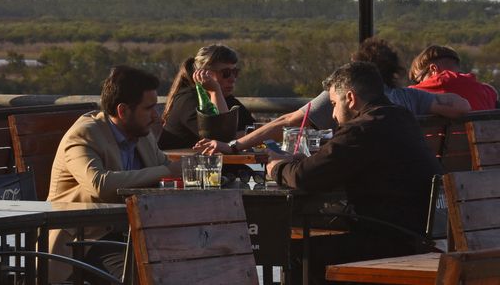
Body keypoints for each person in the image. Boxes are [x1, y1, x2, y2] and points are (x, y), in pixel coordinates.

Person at [267, 61, 442, 284]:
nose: (333, 114)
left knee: (292, 252)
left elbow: (305, 178)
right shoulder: (401, 118)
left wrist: (277, 167)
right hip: (416, 233)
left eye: (333, 104)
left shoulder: (362, 128)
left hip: (387, 240)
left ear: (350, 98)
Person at [198, 38, 471, 155]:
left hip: (361, 197)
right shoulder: (409, 99)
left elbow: (288, 121)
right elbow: (461, 106)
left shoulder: (342, 97)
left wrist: (234, 146)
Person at [47, 65, 181, 284]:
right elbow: (99, 184)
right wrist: (166, 172)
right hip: (85, 240)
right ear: (123, 111)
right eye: (148, 109)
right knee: (141, 278)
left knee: (195, 262)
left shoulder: (142, 135)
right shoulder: (85, 133)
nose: (156, 116)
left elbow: (168, 168)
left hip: (130, 235)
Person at [158, 44, 254, 149]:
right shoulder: (188, 100)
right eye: (226, 73)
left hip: (216, 162)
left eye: (235, 72)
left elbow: (254, 130)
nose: (232, 79)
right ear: (204, 73)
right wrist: (215, 91)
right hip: (185, 164)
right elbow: (221, 139)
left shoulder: (227, 99)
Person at [408, 44, 499, 110]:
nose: (419, 84)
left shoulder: (414, 94)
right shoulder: (488, 92)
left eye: (419, 80)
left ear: (433, 69)